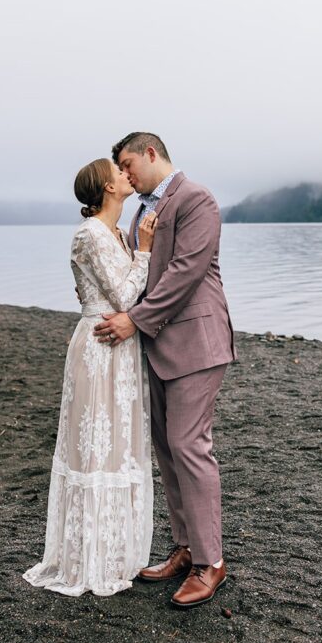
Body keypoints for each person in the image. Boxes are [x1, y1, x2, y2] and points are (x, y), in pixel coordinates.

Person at [93, 132, 237, 608]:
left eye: (129, 164)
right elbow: (141, 269)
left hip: (196, 342)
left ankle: (210, 563)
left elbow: (185, 272)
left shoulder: (196, 199)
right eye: (122, 169)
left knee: (189, 446)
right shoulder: (140, 212)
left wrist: (132, 320)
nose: (126, 175)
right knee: (166, 447)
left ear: (151, 153)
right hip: (156, 346)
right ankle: (185, 546)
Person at [22, 158, 158, 596]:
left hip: (121, 346)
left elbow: (106, 290)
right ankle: (87, 557)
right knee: (95, 448)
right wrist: (146, 252)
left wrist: (135, 249)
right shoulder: (90, 234)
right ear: (106, 186)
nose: (126, 176)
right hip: (100, 346)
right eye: (118, 173)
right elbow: (121, 294)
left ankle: (117, 551)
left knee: (120, 445)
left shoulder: (117, 233)